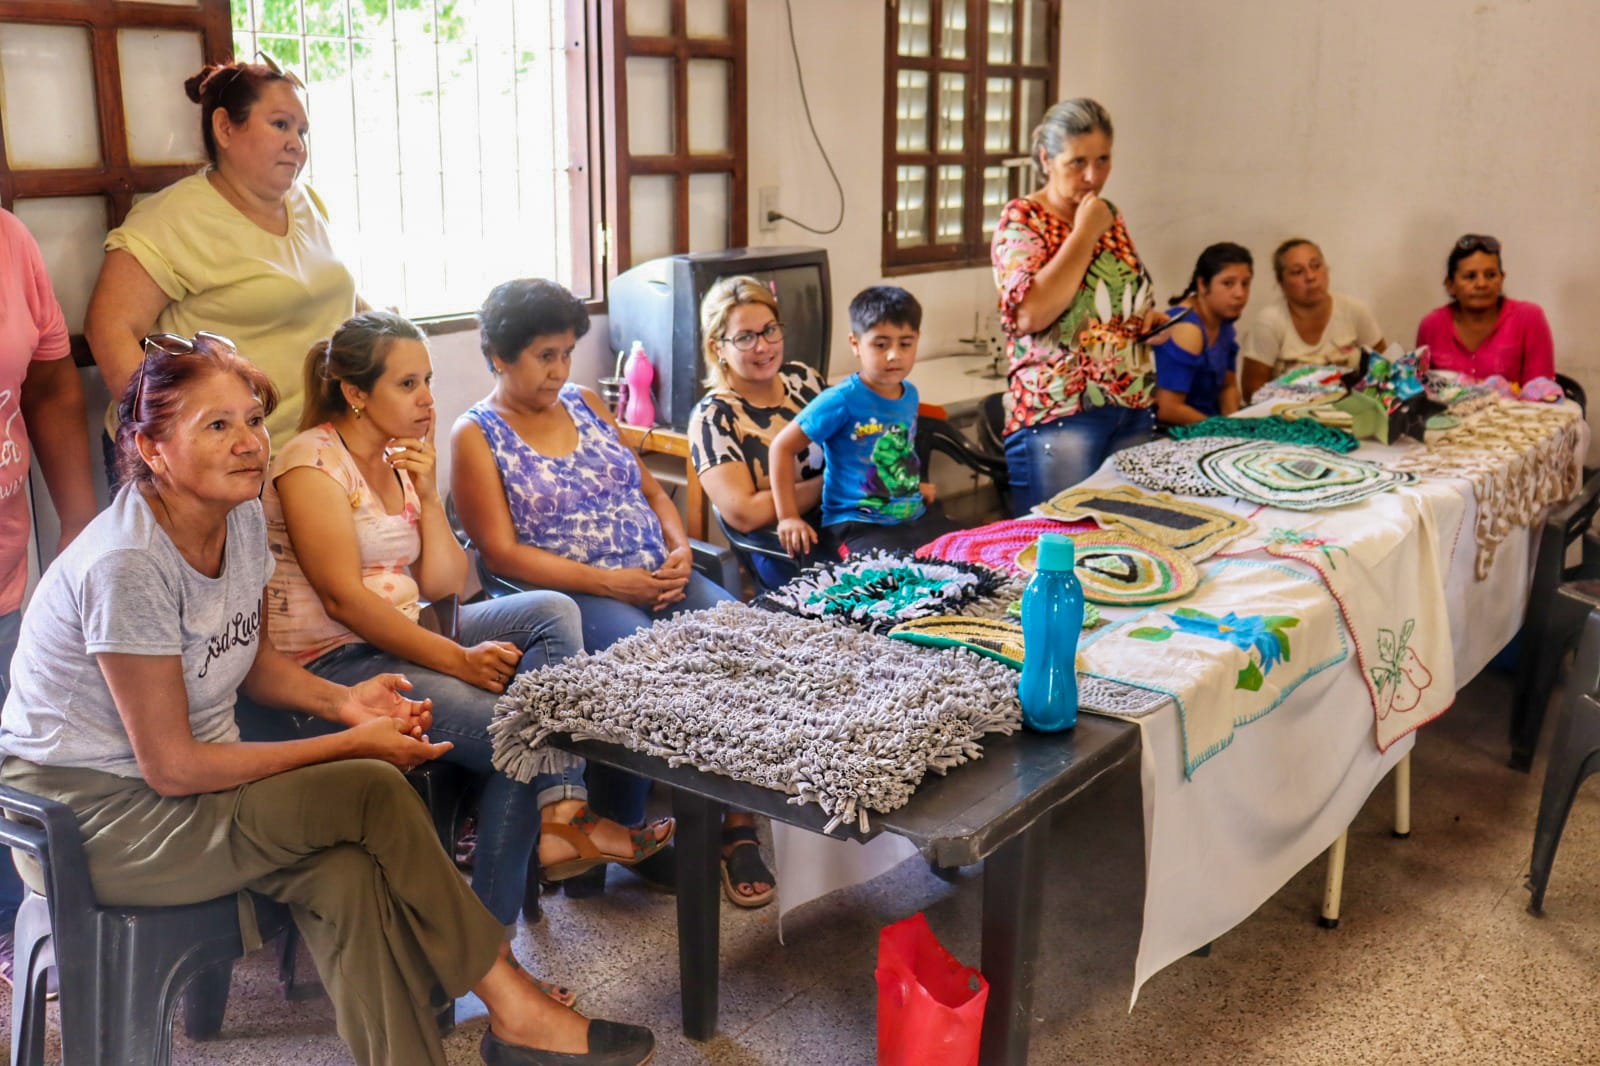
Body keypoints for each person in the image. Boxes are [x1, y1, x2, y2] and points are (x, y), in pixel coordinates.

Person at [0, 333, 654, 1066]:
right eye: (217, 427)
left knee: (345, 876)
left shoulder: (238, 515)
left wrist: (348, 704)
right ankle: (516, 1006)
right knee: (372, 789)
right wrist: (353, 741)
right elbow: (173, 767)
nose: (249, 443)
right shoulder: (128, 567)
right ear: (152, 451)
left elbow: (250, 662)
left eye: (252, 420)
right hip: (95, 820)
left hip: (182, 792)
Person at [264, 311, 672, 932]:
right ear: (354, 393)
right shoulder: (310, 464)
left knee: (551, 613)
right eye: (406, 384)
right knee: (520, 737)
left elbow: (447, 585)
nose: (428, 398)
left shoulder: (400, 460)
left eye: (426, 380)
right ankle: (497, 944)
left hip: (405, 632)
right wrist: (455, 660)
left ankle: (561, 816)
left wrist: (427, 496)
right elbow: (345, 602)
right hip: (336, 661)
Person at [452, 279, 776, 909]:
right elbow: (501, 553)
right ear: (498, 355)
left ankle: (730, 826)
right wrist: (611, 582)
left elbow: (651, 490)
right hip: (573, 593)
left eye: (568, 352)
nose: (560, 370)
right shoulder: (477, 433)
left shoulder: (584, 403)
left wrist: (680, 546)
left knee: (744, 638)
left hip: (654, 572)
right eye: (545, 356)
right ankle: (620, 833)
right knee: (655, 666)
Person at [85, 56, 361, 455]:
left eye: (302, 131)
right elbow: (108, 329)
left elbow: (336, 297)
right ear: (225, 128)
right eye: (280, 124)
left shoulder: (307, 202)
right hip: (217, 464)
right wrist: (175, 441)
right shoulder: (173, 217)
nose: (296, 144)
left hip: (316, 451)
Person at [0, 209, 99, 988]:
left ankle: (12, 933)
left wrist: (78, 525)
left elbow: (48, 379)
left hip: (6, 571)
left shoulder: (9, 238)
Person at [990, 97, 1169, 510]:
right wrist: (1084, 232)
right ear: (1046, 159)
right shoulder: (1024, 218)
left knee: (1125, 540)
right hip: (1061, 414)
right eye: (1077, 162)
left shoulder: (1108, 214)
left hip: (1131, 405)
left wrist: (1142, 322)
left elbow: (1105, 300)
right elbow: (1031, 313)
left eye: (1103, 160)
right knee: (1061, 547)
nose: (1093, 176)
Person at [770, 285, 961, 559]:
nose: (894, 354)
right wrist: (787, 516)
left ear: (917, 340)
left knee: (968, 560)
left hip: (912, 516)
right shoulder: (841, 400)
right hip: (858, 525)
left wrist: (910, 485)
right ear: (855, 344)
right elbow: (781, 447)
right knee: (894, 584)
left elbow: (900, 453)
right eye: (881, 344)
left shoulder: (910, 394)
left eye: (905, 343)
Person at [687, 275, 825, 589]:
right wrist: (832, 482)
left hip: (844, 521)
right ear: (717, 347)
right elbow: (745, 514)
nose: (763, 346)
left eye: (770, 330)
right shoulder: (712, 418)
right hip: (784, 549)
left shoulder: (805, 379)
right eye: (745, 337)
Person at [1240, 238, 1385, 399]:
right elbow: (1252, 392)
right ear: (1281, 282)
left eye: (1316, 266)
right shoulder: (1268, 322)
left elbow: (1383, 367)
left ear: (1327, 270)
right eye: (1297, 272)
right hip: (1289, 418)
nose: (1310, 277)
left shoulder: (1354, 310)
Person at [1415, 234, 1554, 385]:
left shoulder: (1528, 318)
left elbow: (1543, 392)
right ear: (1450, 285)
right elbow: (1421, 391)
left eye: (1490, 275)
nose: (1481, 284)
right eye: (1470, 276)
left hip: (1519, 408)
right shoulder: (1431, 326)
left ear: (1501, 280)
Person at [1153, 243, 1254, 426]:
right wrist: (1223, 430)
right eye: (1228, 283)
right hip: (1173, 432)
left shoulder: (1223, 320)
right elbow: (1167, 408)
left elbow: (1228, 386)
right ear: (1202, 285)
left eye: (1245, 284)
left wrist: (1235, 425)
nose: (1240, 294)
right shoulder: (1187, 329)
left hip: (1209, 425)